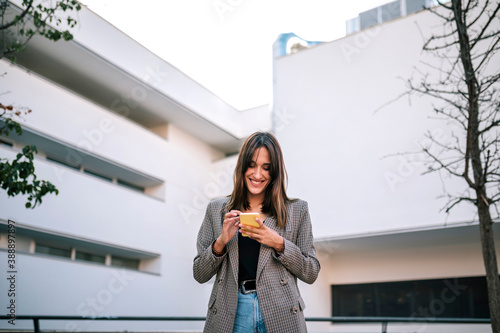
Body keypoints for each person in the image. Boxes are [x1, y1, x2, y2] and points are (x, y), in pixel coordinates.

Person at [193, 131, 320, 333]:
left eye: (266, 168)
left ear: (275, 172)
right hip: (232, 311)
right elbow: (199, 273)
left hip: (281, 310)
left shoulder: (297, 210)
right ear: (242, 167)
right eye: (252, 165)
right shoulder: (217, 209)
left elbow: (311, 271)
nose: (258, 174)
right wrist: (221, 242)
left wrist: (280, 244)